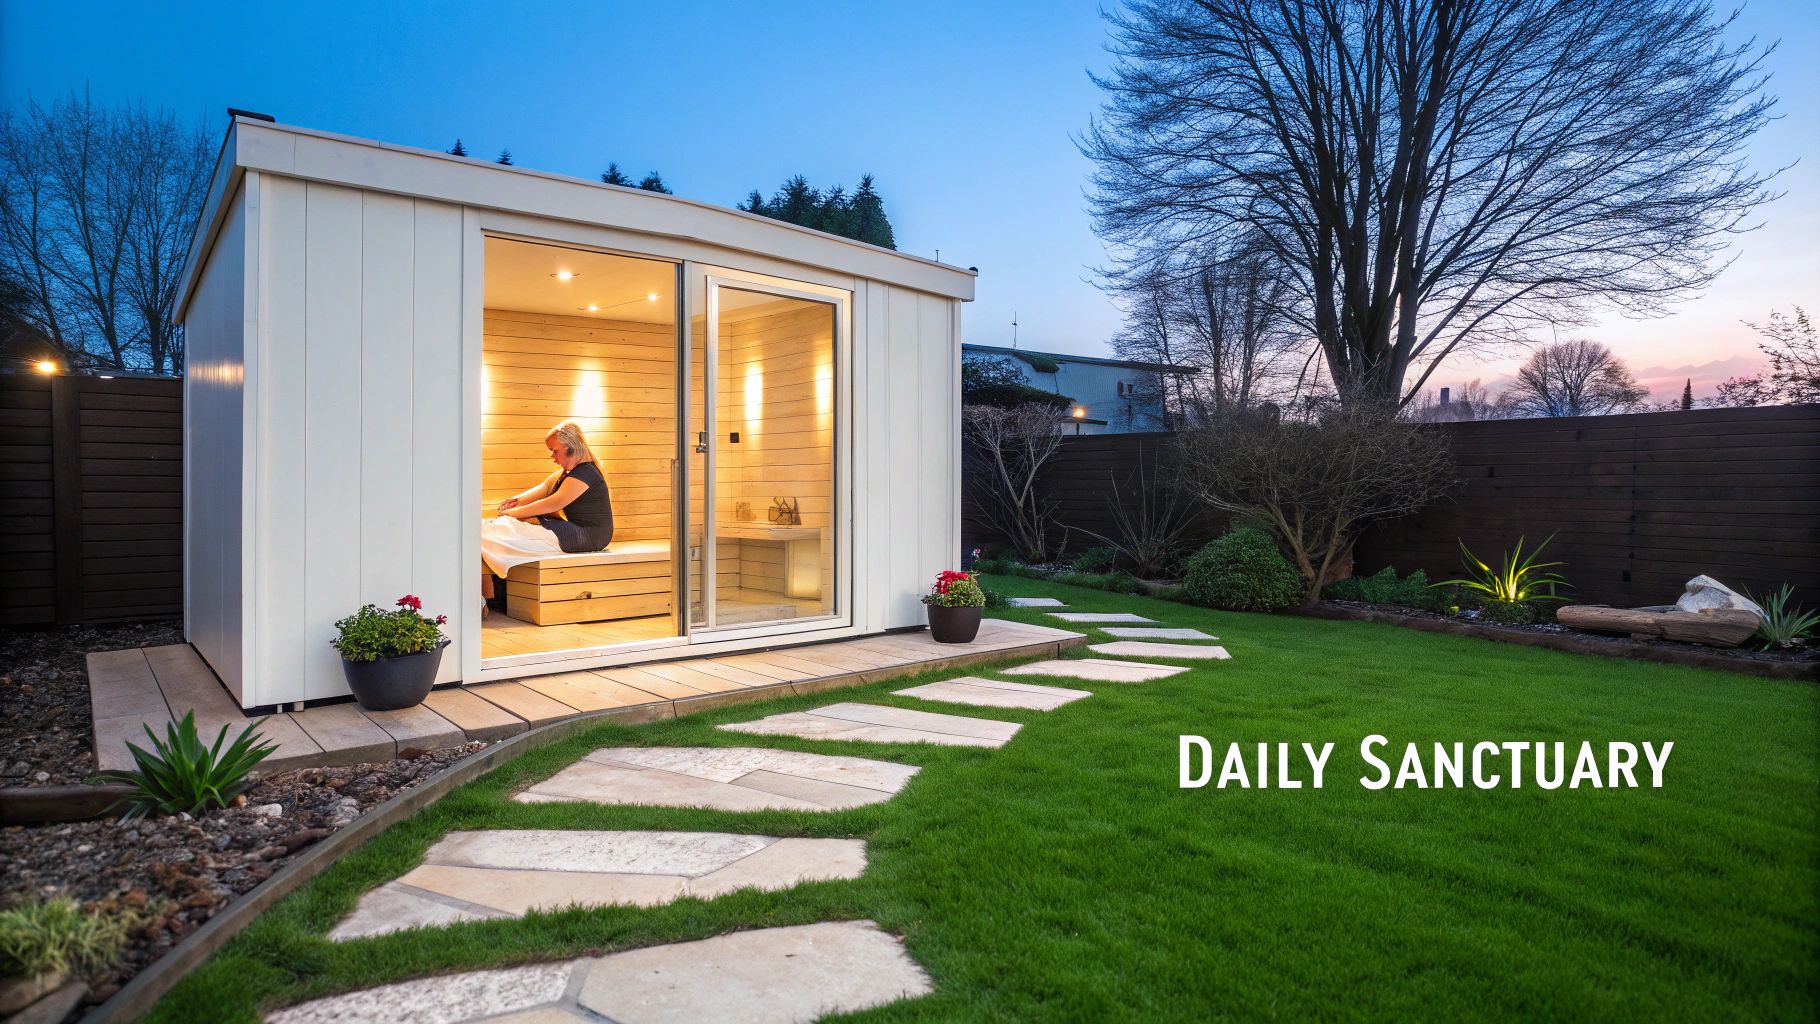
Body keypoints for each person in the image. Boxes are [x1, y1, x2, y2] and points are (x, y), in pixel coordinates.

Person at [481, 420, 614, 614]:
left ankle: (487, 595)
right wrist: (514, 502)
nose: (552, 456)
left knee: (507, 526)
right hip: (575, 529)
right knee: (500, 527)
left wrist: (515, 513)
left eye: (554, 451)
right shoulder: (567, 473)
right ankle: (487, 594)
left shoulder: (586, 474)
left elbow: (554, 503)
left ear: (571, 448)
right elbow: (543, 489)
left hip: (590, 535)